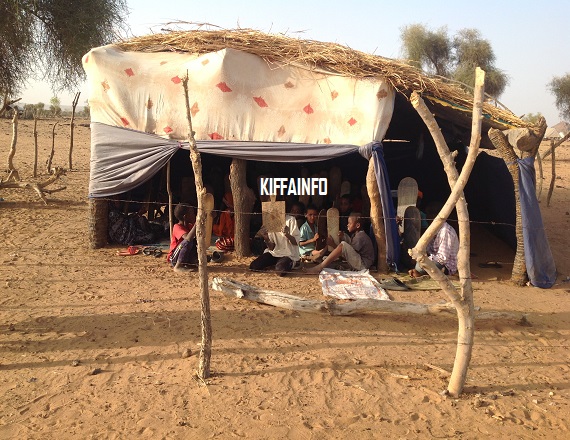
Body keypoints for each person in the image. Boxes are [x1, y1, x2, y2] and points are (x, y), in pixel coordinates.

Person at [306, 213, 374, 274]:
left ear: (357, 225)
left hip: (363, 265)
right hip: (360, 263)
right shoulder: (356, 235)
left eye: (349, 223)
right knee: (329, 261)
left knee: (343, 245)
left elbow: (346, 254)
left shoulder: (360, 237)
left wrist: (332, 244)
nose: (347, 225)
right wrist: (343, 236)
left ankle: (319, 267)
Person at [408, 203, 459, 277]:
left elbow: (442, 259)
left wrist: (423, 259)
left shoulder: (446, 231)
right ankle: (421, 271)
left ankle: (420, 272)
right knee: (414, 261)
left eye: (428, 215)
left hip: (446, 265)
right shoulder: (432, 229)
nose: (426, 218)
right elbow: (428, 250)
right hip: (434, 259)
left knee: (419, 266)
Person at [167, 203, 198, 273]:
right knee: (187, 241)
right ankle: (178, 266)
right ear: (185, 217)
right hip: (174, 258)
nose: (194, 215)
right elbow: (187, 238)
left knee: (195, 241)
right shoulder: (177, 227)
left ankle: (190, 262)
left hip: (184, 256)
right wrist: (197, 224)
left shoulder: (189, 226)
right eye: (192, 213)